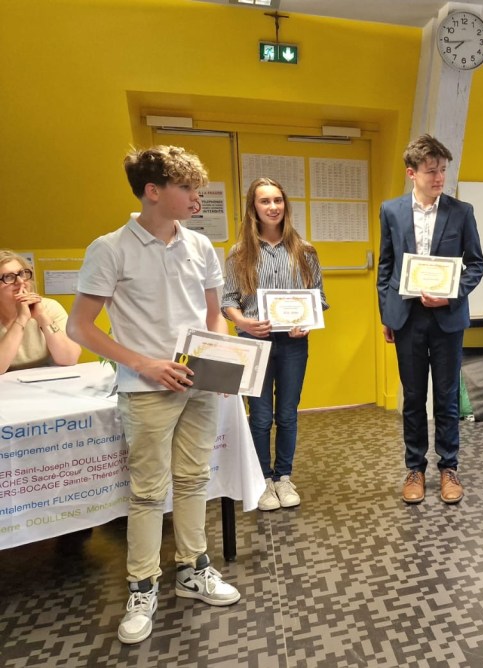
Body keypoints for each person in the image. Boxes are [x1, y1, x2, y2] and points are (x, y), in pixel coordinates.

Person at [67, 146, 240, 645]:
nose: (196, 199)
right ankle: (142, 588)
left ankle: (193, 569)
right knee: (147, 492)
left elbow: (212, 316)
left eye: (197, 189)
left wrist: (214, 364)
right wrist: (145, 364)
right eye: (187, 188)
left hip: (197, 383)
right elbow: (80, 327)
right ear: (153, 191)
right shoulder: (110, 248)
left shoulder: (201, 247)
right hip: (145, 389)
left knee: (193, 480)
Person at [377, 134, 483, 505]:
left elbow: (476, 264)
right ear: (412, 173)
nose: (439, 178)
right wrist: (386, 314)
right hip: (406, 316)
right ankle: (415, 469)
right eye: (431, 171)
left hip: (447, 317)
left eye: (442, 170)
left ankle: (449, 467)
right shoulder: (391, 211)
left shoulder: (461, 212)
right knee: (412, 396)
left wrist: (451, 294)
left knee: (447, 396)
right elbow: (386, 265)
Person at [222, 177, 328, 511]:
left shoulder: (305, 251)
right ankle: (262, 480)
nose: (273, 207)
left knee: (287, 413)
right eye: (265, 201)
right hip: (253, 342)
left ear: (285, 205)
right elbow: (228, 300)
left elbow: (318, 297)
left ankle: (283, 476)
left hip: (293, 344)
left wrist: (307, 322)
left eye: (277, 200)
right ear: (253, 207)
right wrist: (243, 322)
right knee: (260, 416)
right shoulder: (239, 253)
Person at [0, 250, 81, 373]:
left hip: (50, 379)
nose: (20, 282)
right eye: (8, 277)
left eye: (22, 273)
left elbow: (70, 358)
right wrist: (21, 319)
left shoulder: (49, 307)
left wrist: (42, 316)